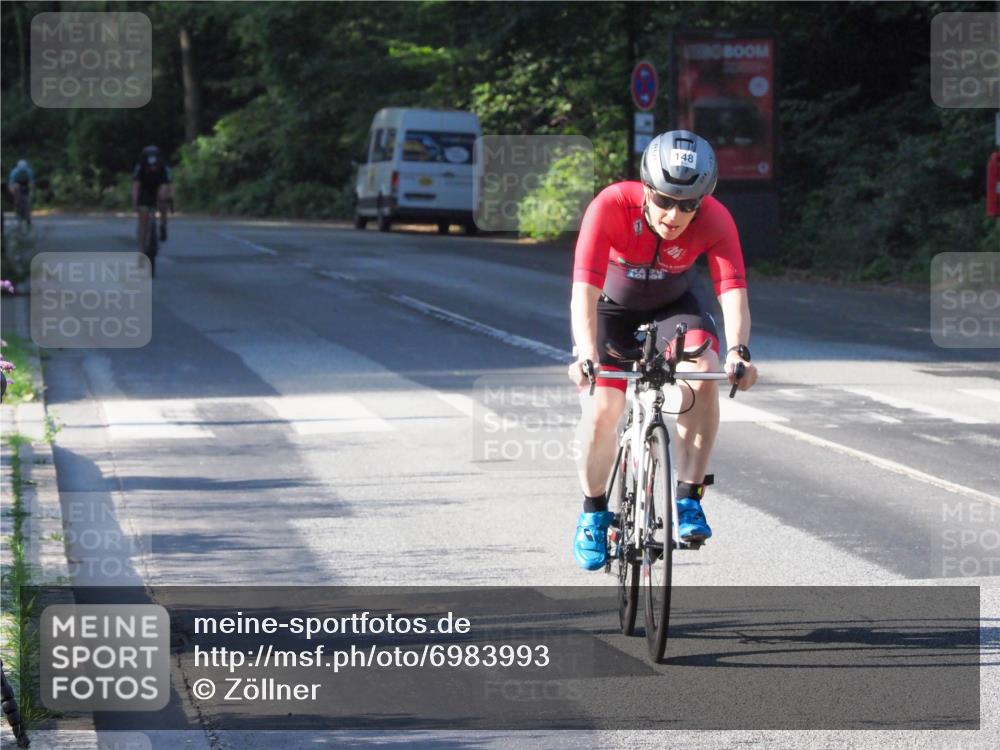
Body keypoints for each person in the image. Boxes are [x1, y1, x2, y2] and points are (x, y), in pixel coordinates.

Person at [567, 129, 758, 571]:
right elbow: (584, 289)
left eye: (688, 205)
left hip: (675, 307)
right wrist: (586, 354)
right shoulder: (611, 205)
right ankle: (593, 515)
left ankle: (688, 496)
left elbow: (732, 289)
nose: (675, 215)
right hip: (610, 309)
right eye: (665, 200)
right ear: (646, 188)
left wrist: (739, 352)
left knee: (704, 370)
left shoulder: (716, 219)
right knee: (602, 409)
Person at [131, 145, 174, 266]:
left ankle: (163, 224)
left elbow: (170, 185)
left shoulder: (163, 166)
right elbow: (136, 186)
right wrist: (135, 203)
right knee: (143, 221)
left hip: (159, 188)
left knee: (163, 193)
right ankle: (141, 252)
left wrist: (170, 200)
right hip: (145, 191)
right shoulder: (140, 166)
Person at [7, 160, 34, 227]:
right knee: (17, 200)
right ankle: (18, 213)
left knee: (27, 201)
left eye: (24, 170)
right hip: (16, 185)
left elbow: (31, 183)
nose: (22, 171)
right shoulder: (14, 172)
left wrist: (31, 192)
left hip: (26, 185)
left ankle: (28, 217)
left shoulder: (29, 171)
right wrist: (13, 193)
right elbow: (11, 184)